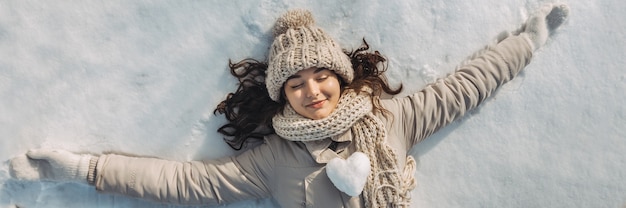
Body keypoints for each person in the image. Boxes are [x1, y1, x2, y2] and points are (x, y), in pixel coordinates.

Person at [8, 3, 570, 208]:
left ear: (343, 79)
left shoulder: (391, 120)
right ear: (282, 95)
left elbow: (467, 84)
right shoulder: (273, 161)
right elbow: (184, 183)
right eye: (296, 83)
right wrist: (85, 168)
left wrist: (528, 41)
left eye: (322, 75)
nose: (312, 89)